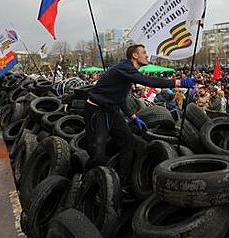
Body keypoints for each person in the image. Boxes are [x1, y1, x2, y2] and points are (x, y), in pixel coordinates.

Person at [83, 44, 195, 195]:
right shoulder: (125, 67)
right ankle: (85, 182)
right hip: (96, 110)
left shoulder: (128, 72)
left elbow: (120, 98)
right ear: (134, 56)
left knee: (128, 143)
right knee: (97, 154)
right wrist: (178, 83)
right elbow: (148, 81)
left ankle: (121, 184)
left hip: (112, 110)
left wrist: (133, 117)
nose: (147, 55)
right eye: (144, 52)